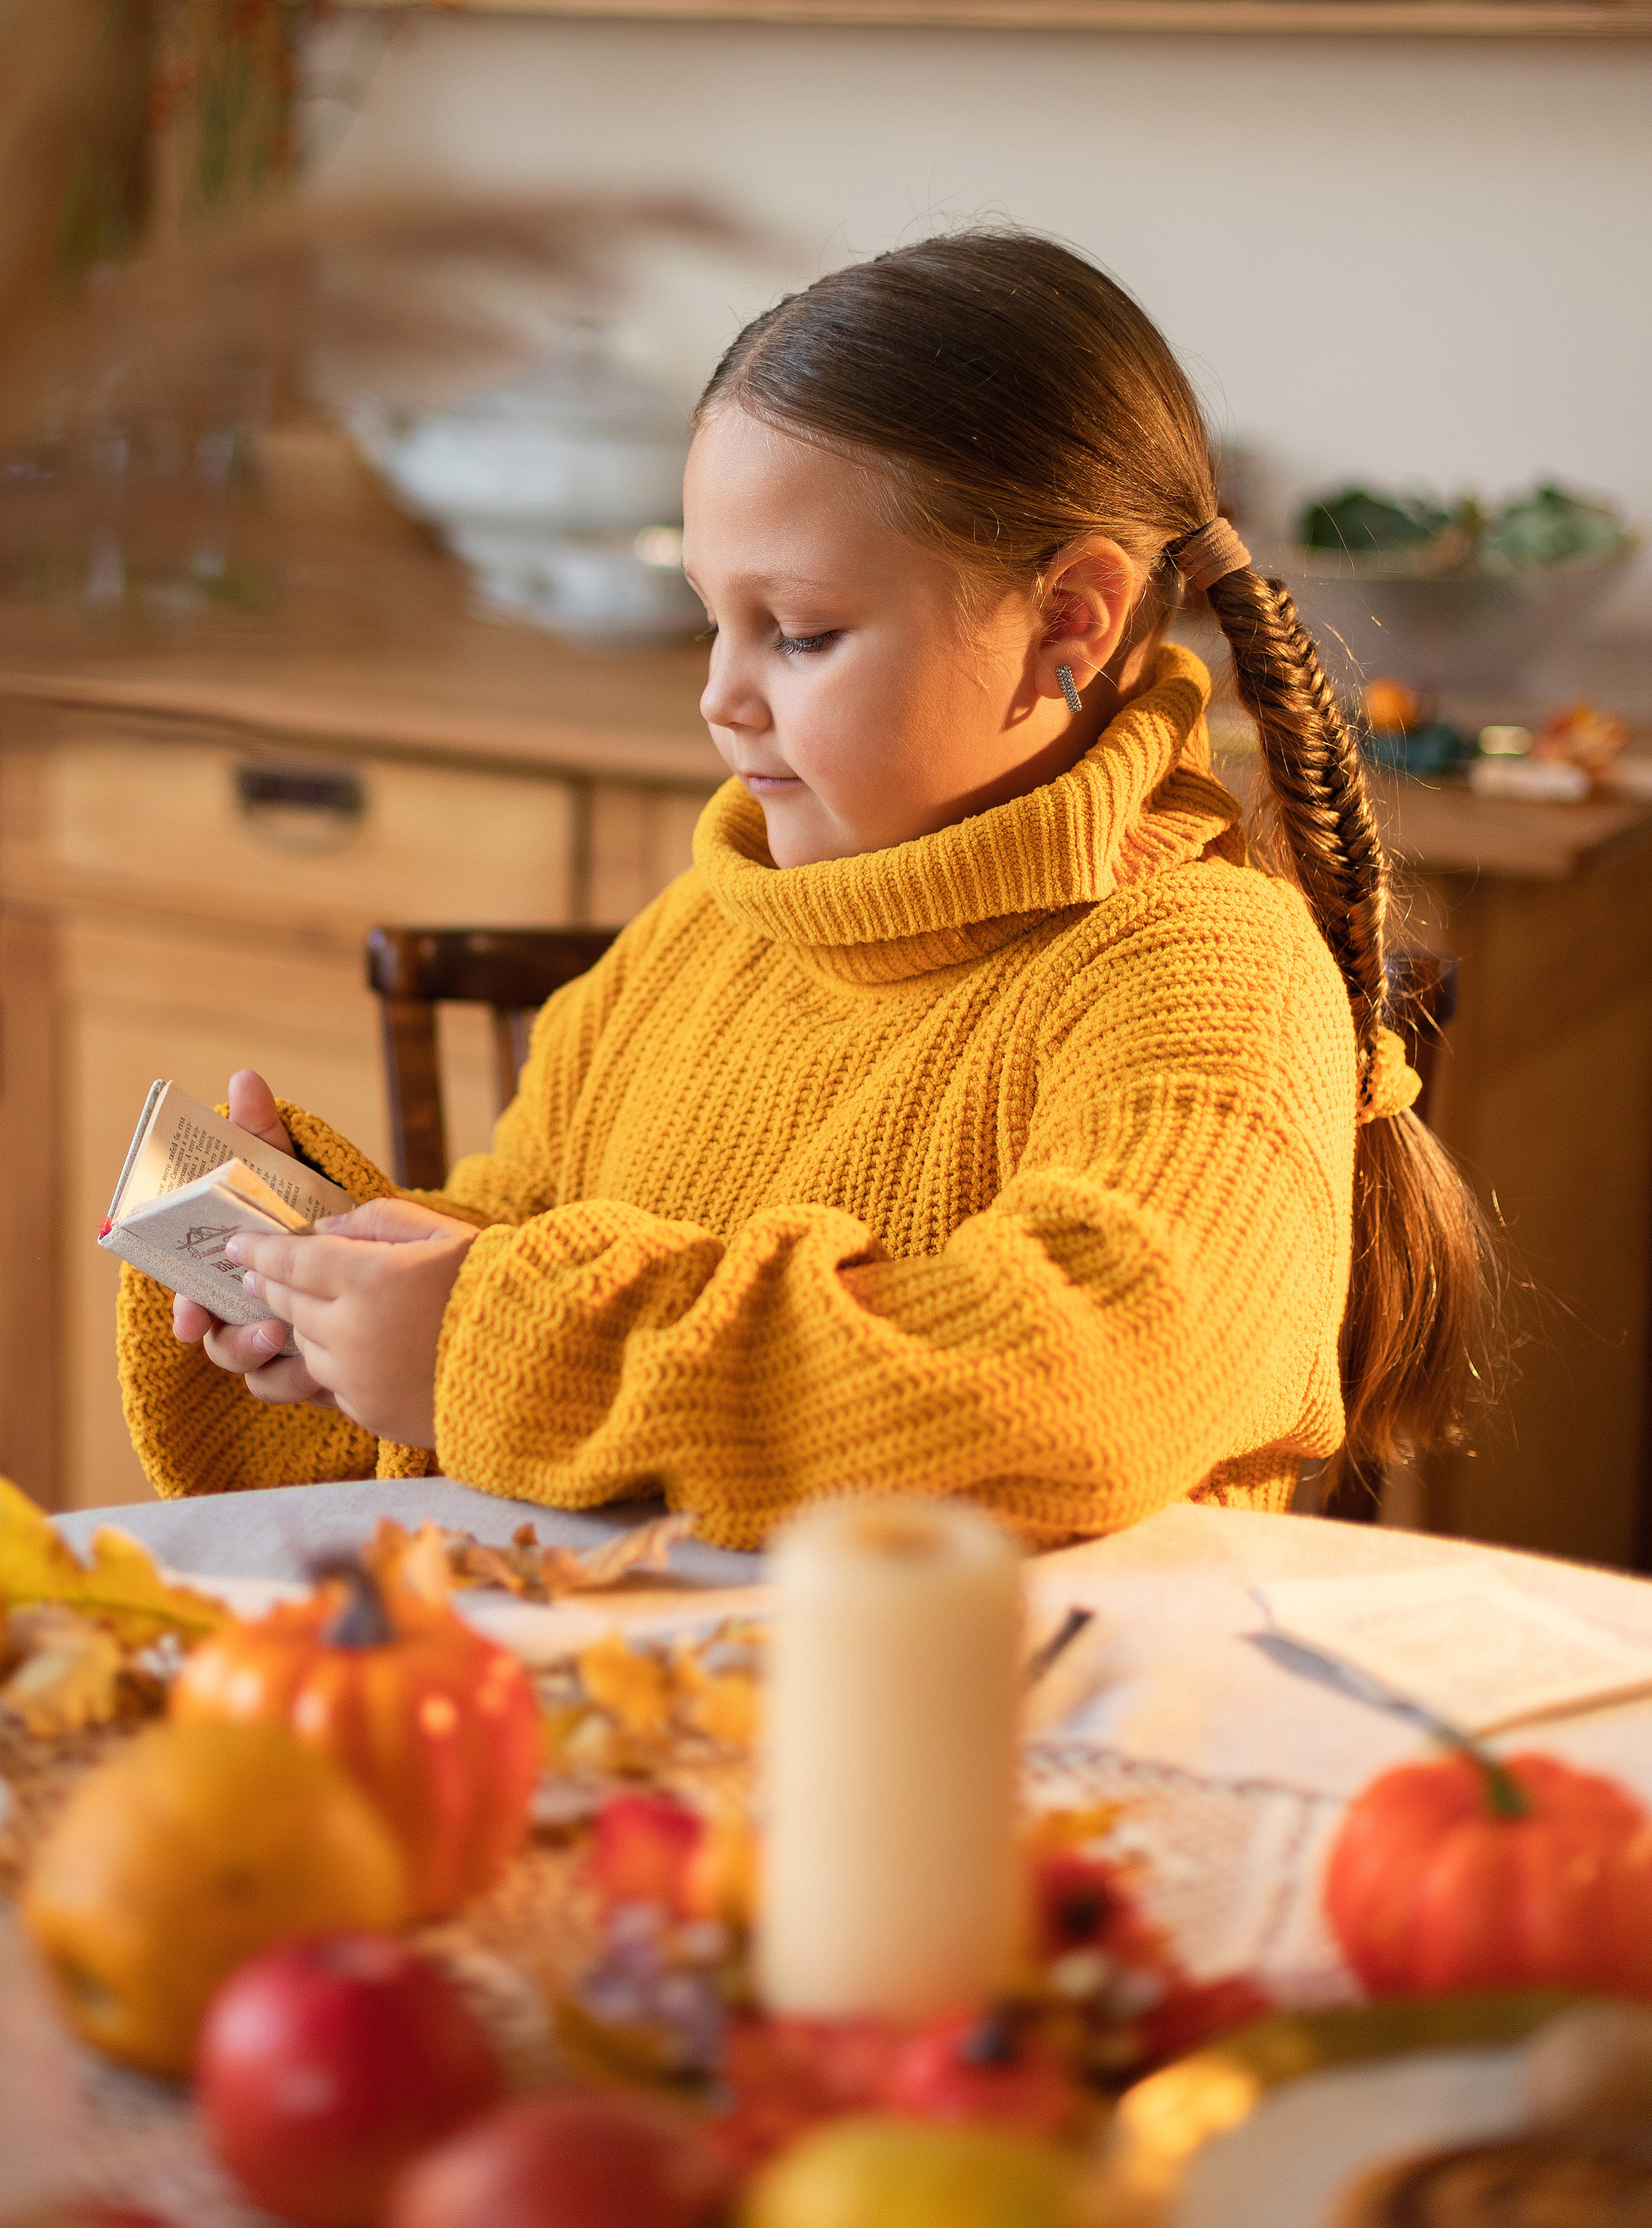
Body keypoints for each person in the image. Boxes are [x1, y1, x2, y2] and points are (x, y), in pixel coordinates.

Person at [116, 231, 1491, 1553]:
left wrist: (488, 1337)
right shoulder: (700, 936)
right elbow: (526, 1253)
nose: (720, 697)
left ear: (1069, 620)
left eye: (802, 633)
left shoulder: (1207, 977)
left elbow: (1080, 1385)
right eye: (716, 617)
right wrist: (355, 1280)